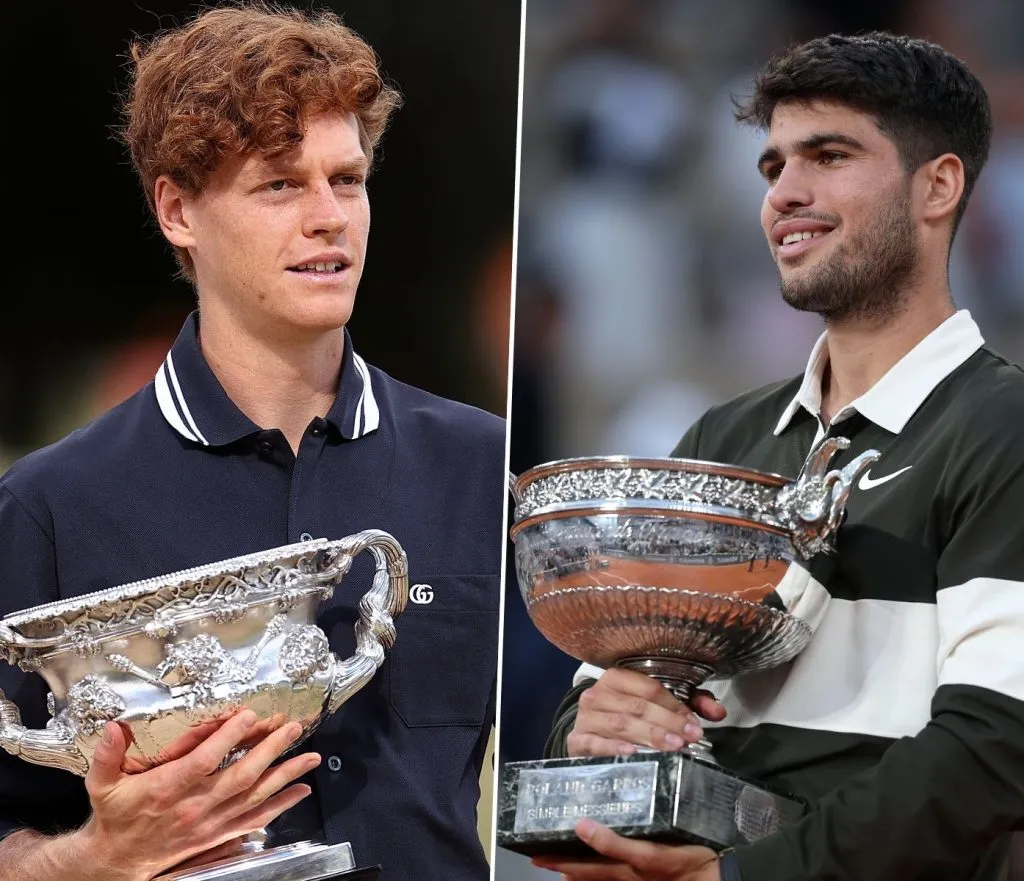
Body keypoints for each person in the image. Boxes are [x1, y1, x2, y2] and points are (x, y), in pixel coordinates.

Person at [0, 4, 504, 880]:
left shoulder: (482, 466)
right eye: (279, 185)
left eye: (346, 179)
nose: (328, 218)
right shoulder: (47, 506)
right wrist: (95, 856)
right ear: (177, 210)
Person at [534, 32, 1024, 881]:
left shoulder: (1003, 426)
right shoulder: (720, 441)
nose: (785, 194)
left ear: (937, 185)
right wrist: (595, 725)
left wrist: (741, 877)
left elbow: (996, 741)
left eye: (828, 156)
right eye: (771, 168)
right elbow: (593, 706)